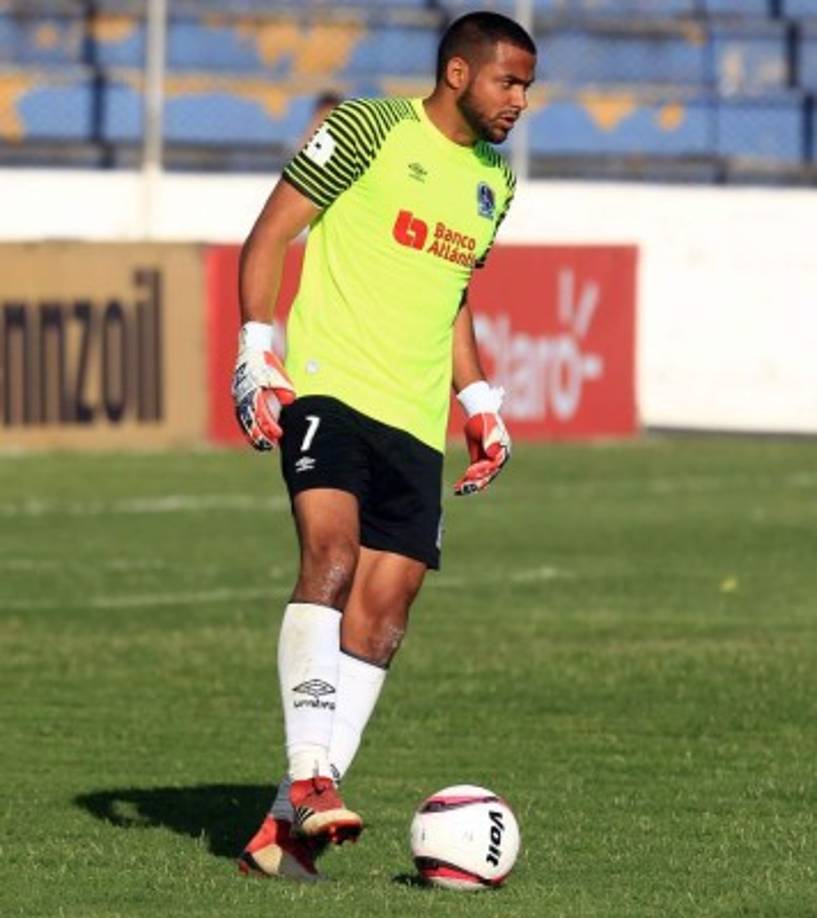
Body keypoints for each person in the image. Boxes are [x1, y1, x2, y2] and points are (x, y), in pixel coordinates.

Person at [231, 11, 536, 882]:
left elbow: (453, 293)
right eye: (507, 82)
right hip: (330, 388)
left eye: (526, 87)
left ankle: (285, 832)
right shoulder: (368, 128)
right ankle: (310, 775)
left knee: (386, 614)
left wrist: (476, 399)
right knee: (329, 556)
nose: (518, 101)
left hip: (413, 420)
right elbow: (270, 233)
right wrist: (256, 349)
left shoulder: (496, 180)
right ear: (457, 74)